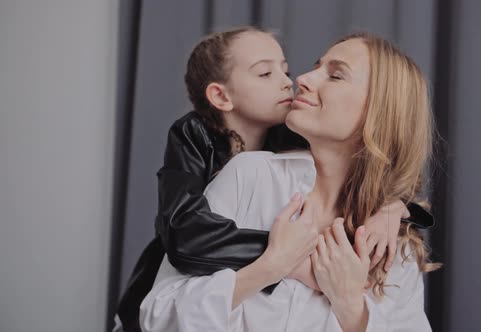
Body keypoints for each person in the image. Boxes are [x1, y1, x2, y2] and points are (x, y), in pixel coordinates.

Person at [115, 27, 431, 332]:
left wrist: (351, 307)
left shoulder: (394, 244)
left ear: (380, 112)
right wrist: (276, 264)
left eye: (335, 75)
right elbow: (162, 305)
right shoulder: (241, 169)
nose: (300, 81)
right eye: (315, 67)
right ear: (220, 96)